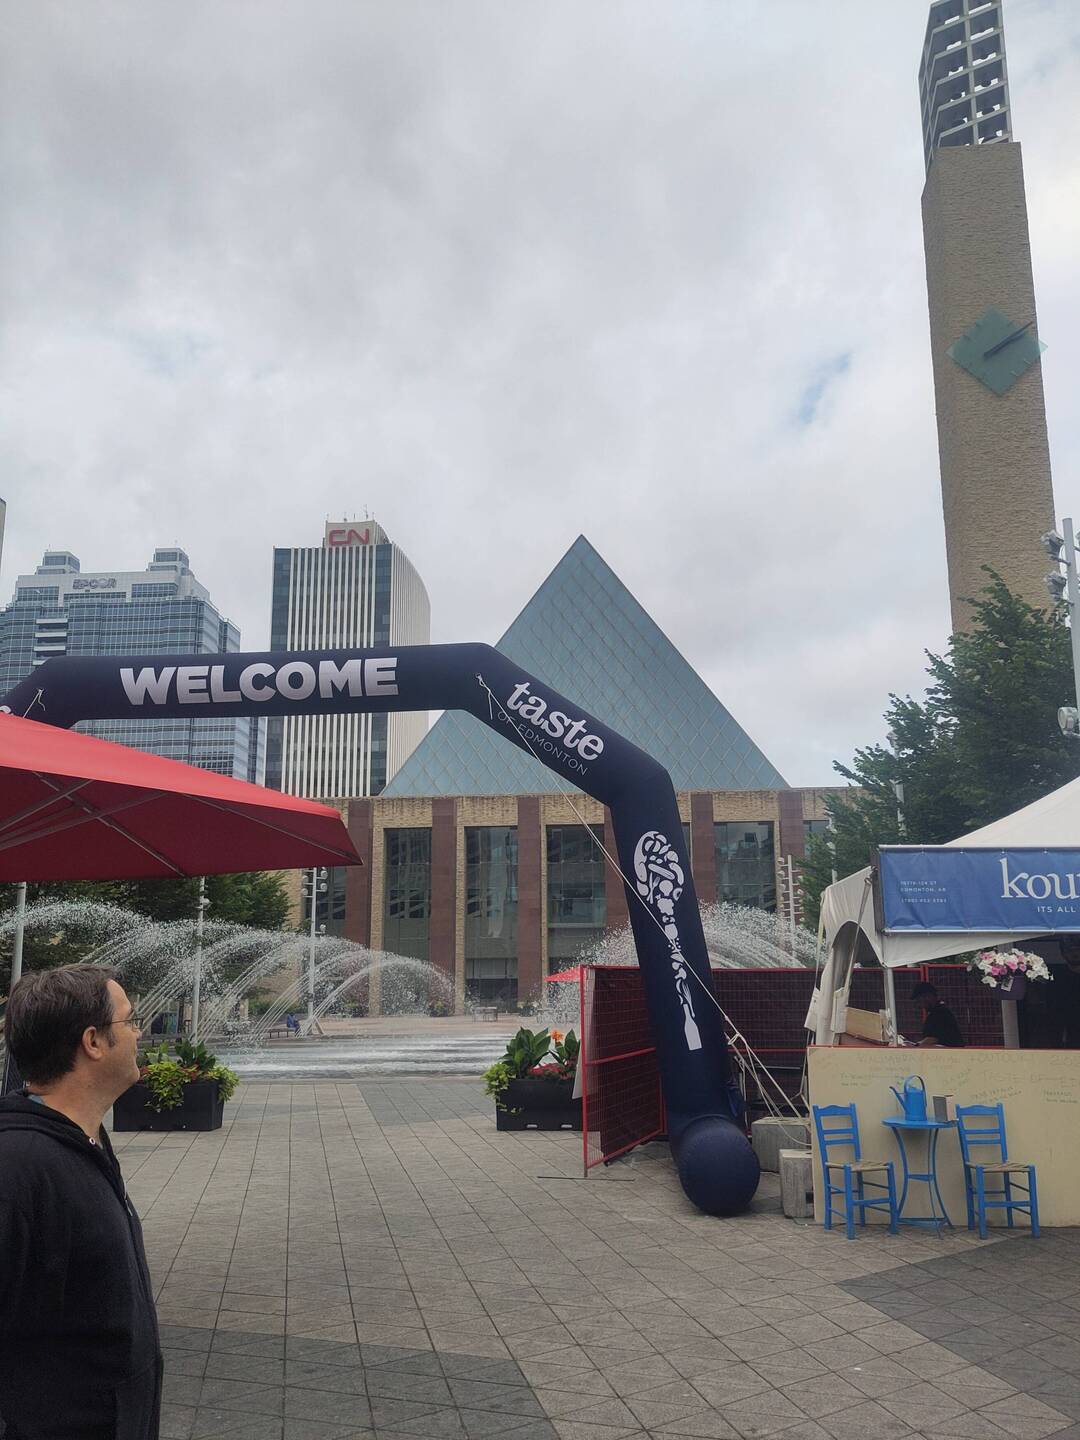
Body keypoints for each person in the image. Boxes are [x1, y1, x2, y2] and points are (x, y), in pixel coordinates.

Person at [0, 965, 162, 1440]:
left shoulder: (82, 1144)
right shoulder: (19, 1168)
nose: (138, 1034)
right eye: (128, 1021)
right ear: (92, 1041)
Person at [911, 980, 965, 1048]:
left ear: (927, 997)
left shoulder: (939, 1014)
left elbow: (932, 1039)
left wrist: (915, 1046)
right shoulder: (940, 1011)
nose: (919, 1004)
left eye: (919, 1000)